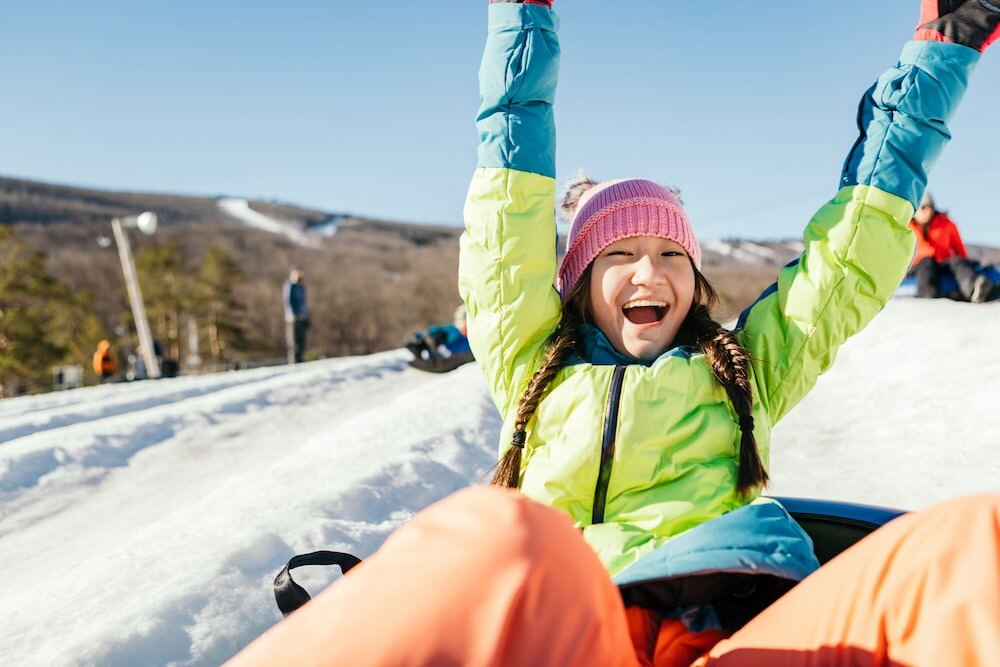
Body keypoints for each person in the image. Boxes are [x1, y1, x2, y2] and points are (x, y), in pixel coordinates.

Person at [228, 2, 1000, 665]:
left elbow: (848, 253)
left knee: (975, 543)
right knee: (489, 529)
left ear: (695, 283)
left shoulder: (743, 370)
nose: (647, 273)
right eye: (619, 254)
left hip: (729, 631)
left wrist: (937, 60)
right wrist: (523, 17)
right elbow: (509, 195)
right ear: (575, 284)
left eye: (671, 255)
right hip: (566, 631)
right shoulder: (536, 359)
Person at [909, 191, 997, 301]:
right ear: (916, 209)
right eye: (923, 207)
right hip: (918, 264)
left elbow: (959, 248)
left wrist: (965, 262)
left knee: (957, 261)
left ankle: (975, 289)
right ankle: (927, 296)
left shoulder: (946, 223)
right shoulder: (907, 226)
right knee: (927, 262)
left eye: (931, 207)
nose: (928, 210)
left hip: (943, 261)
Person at [405, 304, 473, 371]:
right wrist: (419, 339)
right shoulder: (452, 331)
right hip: (432, 362)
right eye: (460, 320)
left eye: (465, 320)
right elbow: (432, 332)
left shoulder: (473, 337)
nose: (462, 324)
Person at [282, 266, 310, 363]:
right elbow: (288, 301)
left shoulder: (301, 286)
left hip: (302, 316)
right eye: (297, 274)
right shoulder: (290, 285)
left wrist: (306, 315)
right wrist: (292, 314)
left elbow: (304, 302)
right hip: (293, 318)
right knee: (293, 341)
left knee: (301, 340)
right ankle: (294, 361)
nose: (299, 276)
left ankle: (300, 359)